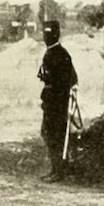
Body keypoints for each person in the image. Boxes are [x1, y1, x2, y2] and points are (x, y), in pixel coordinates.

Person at [37, 20, 78, 181]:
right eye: (45, 34)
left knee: (53, 135)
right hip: (53, 102)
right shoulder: (54, 53)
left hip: (57, 103)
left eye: (49, 34)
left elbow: (69, 79)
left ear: (56, 34)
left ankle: (59, 170)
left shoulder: (58, 54)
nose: (46, 37)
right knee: (50, 134)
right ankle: (57, 169)